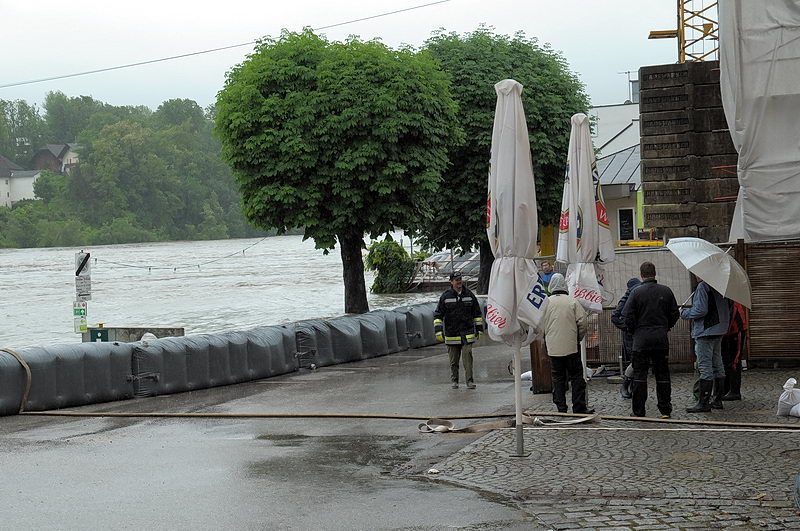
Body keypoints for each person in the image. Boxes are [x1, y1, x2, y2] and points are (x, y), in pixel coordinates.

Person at [622, 261, 680, 419]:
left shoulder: (636, 292)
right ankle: (665, 409)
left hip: (641, 340)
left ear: (641, 275)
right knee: (662, 375)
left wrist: (633, 330)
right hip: (660, 339)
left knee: (639, 376)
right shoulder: (666, 291)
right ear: (655, 273)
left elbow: (627, 316)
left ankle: (639, 411)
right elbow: (675, 314)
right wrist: (666, 327)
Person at [540, 273, 592, 414]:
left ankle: (561, 407)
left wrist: (546, 340)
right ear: (565, 285)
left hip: (553, 348)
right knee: (576, 376)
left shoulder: (545, 304)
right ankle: (579, 407)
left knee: (558, 377)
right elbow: (583, 323)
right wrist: (578, 337)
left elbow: (539, 326)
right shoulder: (572, 302)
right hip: (571, 346)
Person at [682, 278, 730, 413]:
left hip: (706, 330)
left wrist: (684, 313)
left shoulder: (703, 286)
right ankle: (717, 400)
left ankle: (703, 403)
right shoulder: (721, 285)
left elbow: (700, 310)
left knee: (705, 367)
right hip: (720, 329)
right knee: (717, 365)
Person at [433, 271, 484, 389]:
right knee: (453, 361)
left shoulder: (469, 295)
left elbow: (477, 314)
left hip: (467, 333)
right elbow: (438, 315)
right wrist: (438, 331)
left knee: (468, 359)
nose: (459, 281)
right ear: (451, 282)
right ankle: (454, 381)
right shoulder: (445, 297)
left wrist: (479, 329)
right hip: (452, 334)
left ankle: (469, 381)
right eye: (456, 280)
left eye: (460, 279)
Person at [611, 277, 642, 399]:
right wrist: (628, 327)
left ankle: (633, 387)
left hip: (636, 333)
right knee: (635, 361)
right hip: (632, 334)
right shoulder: (629, 296)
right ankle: (627, 385)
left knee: (637, 362)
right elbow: (615, 316)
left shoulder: (632, 295)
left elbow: (615, 317)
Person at [721, 301, 747, 401]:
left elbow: (731, 316)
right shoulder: (727, 299)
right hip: (729, 332)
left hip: (737, 330)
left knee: (735, 360)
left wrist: (724, 331)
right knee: (726, 361)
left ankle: (735, 391)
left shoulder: (732, 301)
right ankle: (726, 389)